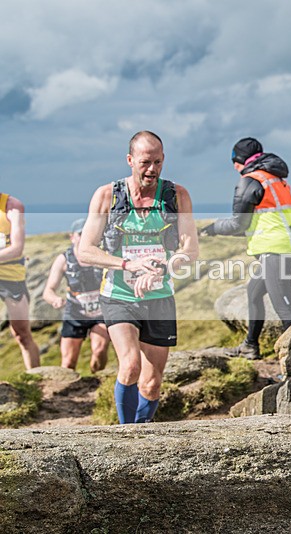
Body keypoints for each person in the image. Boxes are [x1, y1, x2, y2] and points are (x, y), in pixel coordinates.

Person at [78, 131, 198, 424]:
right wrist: (127, 264)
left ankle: (141, 433)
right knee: (130, 365)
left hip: (159, 297)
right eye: (145, 162)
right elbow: (85, 251)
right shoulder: (108, 195)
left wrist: (161, 267)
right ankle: (125, 434)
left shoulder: (176, 195)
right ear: (130, 160)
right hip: (119, 295)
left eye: (158, 162)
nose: (152, 169)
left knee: (152, 384)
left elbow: (190, 249)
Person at [201, 137, 291, 359]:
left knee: (284, 309)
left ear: (240, 160)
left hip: (274, 251)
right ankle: (250, 346)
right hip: (287, 248)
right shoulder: (275, 179)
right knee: (254, 293)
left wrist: (213, 228)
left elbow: (239, 223)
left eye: (234, 162)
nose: (235, 168)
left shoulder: (250, 180)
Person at [42, 218, 110, 372]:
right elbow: (48, 291)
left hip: (101, 313)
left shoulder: (103, 255)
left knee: (99, 351)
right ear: (72, 237)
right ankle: (68, 390)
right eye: (81, 234)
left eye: (88, 233)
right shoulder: (64, 260)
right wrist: (55, 300)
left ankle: (96, 379)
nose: (85, 236)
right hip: (75, 313)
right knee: (68, 363)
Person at [0, 192, 40, 369]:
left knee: (22, 333)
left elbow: (16, 248)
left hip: (10, 275)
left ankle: (36, 381)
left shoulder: (12, 206)